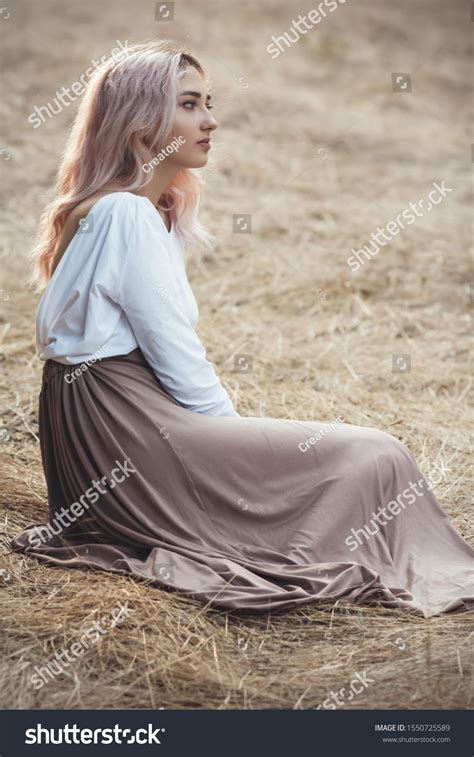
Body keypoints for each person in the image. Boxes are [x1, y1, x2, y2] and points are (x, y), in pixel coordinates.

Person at [11, 40, 473, 619]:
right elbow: (176, 355)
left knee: (368, 457)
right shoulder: (124, 214)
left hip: (102, 433)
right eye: (189, 104)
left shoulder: (137, 211)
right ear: (139, 125)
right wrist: (239, 451)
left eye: (208, 102)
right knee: (377, 455)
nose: (211, 120)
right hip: (122, 432)